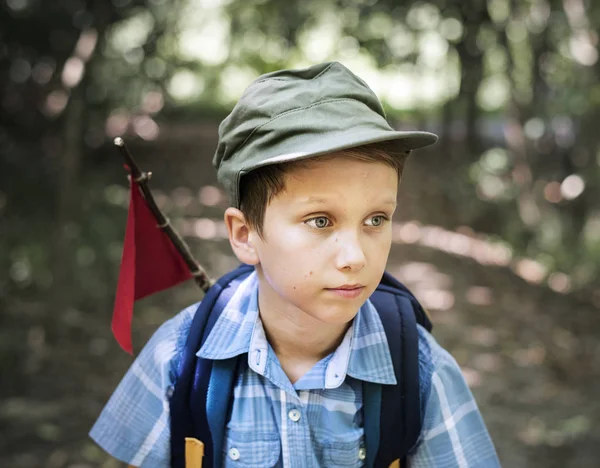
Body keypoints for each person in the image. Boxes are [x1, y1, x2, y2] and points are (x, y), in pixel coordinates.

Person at [90, 61, 500, 467]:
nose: (355, 256)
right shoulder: (178, 359)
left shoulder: (421, 373)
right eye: (320, 221)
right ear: (245, 235)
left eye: (376, 220)